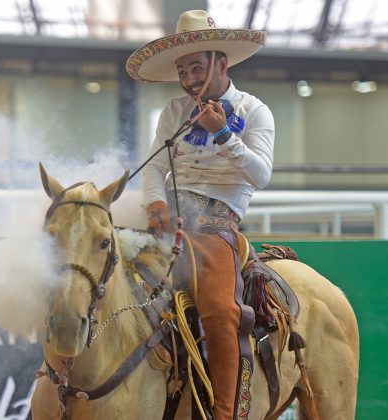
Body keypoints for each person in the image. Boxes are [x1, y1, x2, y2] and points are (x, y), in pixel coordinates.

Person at [126, 9, 274, 420]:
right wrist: (155, 204)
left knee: (220, 311)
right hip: (169, 219)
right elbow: (155, 167)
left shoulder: (255, 110)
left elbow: (261, 176)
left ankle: (226, 413)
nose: (189, 78)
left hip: (216, 225)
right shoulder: (173, 111)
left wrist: (225, 135)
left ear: (220, 63)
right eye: (183, 69)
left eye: (197, 67)